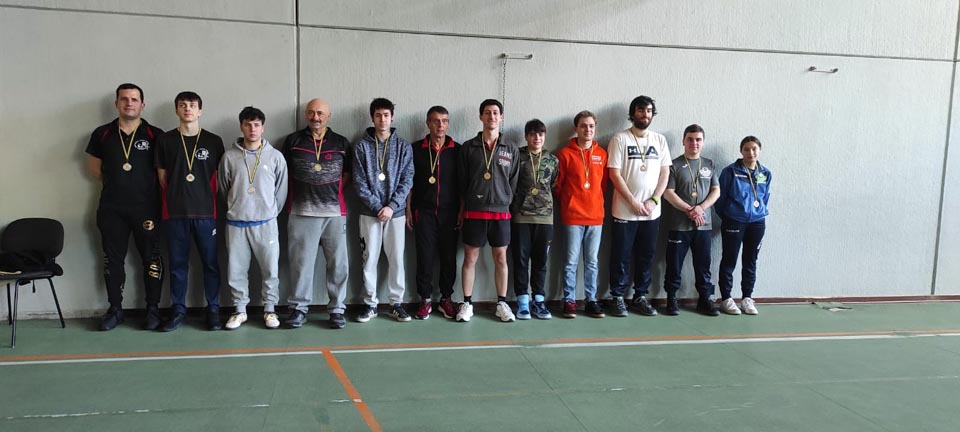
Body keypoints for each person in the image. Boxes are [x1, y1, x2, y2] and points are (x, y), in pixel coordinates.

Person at [85, 83, 165, 331]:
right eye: (124, 99)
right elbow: (94, 169)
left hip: (147, 208)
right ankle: (115, 309)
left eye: (134, 99)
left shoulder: (155, 134)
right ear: (117, 103)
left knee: (151, 258)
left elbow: (163, 173)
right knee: (112, 260)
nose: (129, 103)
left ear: (142, 105)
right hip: (112, 208)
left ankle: (152, 309)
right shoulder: (102, 134)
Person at [155, 91, 225, 331]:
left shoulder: (214, 141)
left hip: (206, 214)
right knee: (177, 265)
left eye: (192, 105)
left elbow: (220, 178)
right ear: (176, 110)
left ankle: (213, 309)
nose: (187, 109)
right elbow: (162, 178)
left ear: (200, 111)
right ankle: (178, 309)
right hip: (175, 213)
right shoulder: (165, 140)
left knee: (210, 264)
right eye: (183, 105)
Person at [281, 98, 351, 330]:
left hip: (334, 213)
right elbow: (284, 175)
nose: (315, 117)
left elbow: (348, 175)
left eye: (320, 113)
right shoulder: (293, 141)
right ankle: (299, 308)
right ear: (306, 114)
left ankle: (337, 309)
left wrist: (329, 192)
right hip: (301, 212)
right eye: (311, 112)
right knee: (300, 264)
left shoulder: (341, 142)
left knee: (338, 265)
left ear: (328, 116)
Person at [218, 107, 288, 330]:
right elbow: (223, 189)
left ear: (263, 127)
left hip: (266, 224)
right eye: (247, 124)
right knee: (236, 270)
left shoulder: (275, 157)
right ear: (241, 127)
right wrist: (236, 208)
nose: (252, 129)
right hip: (236, 223)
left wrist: (268, 212)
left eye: (256, 125)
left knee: (270, 269)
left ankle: (270, 309)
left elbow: (281, 192)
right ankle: (240, 310)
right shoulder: (229, 157)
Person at [606, 95, 671, 317]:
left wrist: (654, 200)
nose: (645, 114)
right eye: (641, 110)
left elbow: (665, 173)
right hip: (624, 211)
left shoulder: (659, 140)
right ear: (633, 113)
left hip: (651, 213)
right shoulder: (620, 139)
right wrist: (633, 202)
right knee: (620, 255)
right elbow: (614, 174)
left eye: (649, 111)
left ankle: (640, 296)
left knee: (647, 255)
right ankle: (617, 296)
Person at [457, 99, 520, 322]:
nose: (491, 117)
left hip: (501, 213)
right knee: (470, 258)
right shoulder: (468, 147)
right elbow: (462, 180)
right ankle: (467, 303)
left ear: (501, 117)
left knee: (501, 258)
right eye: (487, 113)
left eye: (495, 113)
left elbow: (513, 181)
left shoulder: (510, 148)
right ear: (481, 117)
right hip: (474, 211)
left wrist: (504, 198)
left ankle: (501, 303)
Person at [352, 98, 414, 323]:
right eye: (378, 115)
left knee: (396, 259)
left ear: (392, 118)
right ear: (372, 118)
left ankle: (396, 303)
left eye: (386, 115)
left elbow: (407, 180)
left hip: (395, 214)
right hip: (370, 213)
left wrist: (391, 206)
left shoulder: (403, 147)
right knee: (369, 258)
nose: (382, 120)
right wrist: (378, 207)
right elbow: (359, 182)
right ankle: (370, 304)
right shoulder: (360, 147)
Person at [406, 106, 461, 320]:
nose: (440, 125)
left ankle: (446, 299)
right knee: (425, 257)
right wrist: (408, 210)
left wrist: (462, 210)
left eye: (444, 121)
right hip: (424, 212)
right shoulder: (415, 149)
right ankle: (425, 299)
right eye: (436, 121)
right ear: (428, 123)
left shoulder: (457, 150)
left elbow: (463, 185)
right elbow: (409, 183)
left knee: (449, 258)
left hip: (450, 213)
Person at [661, 124, 721, 316]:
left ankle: (704, 299)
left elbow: (716, 191)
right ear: (683, 141)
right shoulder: (674, 165)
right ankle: (671, 298)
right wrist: (689, 210)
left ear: (703, 142)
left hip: (704, 225)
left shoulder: (709, 164)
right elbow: (668, 193)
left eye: (698, 139)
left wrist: (700, 208)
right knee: (674, 264)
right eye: (690, 139)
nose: (694, 143)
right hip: (679, 225)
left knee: (703, 266)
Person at [555, 111, 608, 319]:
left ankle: (591, 300)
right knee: (570, 261)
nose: (588, 130)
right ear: (576, 128)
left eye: (591, 126)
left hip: (595, 217)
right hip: (573, 216)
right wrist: (569, 204)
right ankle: (569, 299)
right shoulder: (564, 154)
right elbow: (558, 186)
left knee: (592, 262)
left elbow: (604, 185)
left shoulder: (601, 154)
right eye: (583, 126)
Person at [715, 136, 771, 315]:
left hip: (757, 222)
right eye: (746, 149)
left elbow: (765, 197)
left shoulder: (765, 173)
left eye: (754, 149)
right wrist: (730, 215)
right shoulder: (730, 171)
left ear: (759, 150)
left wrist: (758, 211)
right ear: (741, 151)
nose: (750, 153)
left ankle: (747, 298)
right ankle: (726, 298)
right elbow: (720, 199)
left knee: (750, 261)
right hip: (734, 221)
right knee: (729, 259)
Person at [510, 119, 558, 320]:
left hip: (545, 218)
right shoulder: (517, 156)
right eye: (532, 134)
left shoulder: (552, 160)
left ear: (544, 136)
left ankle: (539, 300)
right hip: (521, 216)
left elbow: (553, 183)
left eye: (540, 134)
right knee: (520, 260)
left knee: (541, 261)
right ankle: (523, 301)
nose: (537, 138)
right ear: (526, 136)